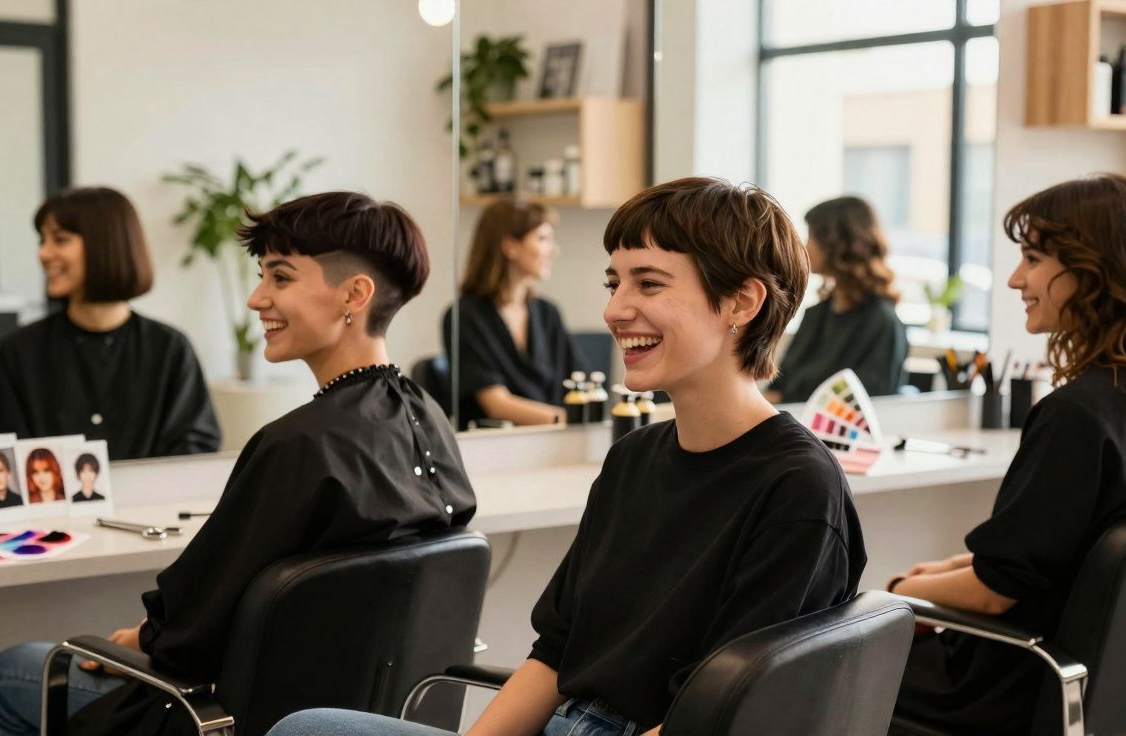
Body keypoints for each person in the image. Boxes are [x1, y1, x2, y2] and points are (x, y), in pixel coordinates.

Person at [266, 177, 866, 736]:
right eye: (615, 283)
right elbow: (557, 652)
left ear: (742, 302)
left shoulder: (797, 489)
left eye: (649, 283)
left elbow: (725, 715)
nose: (613, 310)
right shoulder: (633, 459)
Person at [0, 191, 477, 736]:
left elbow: (189, 629)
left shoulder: (299, 445)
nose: (257, 298)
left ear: (354, 294)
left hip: (221, 715)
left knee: (11, 672)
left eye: (280, 278)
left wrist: (139, 639)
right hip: (353, 715)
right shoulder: (429, 421)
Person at [887, 173, 1126, 735]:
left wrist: (896, 594)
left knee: (835, 677)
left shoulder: (1077, 415)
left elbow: (994, 593)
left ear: (1093, 269)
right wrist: (953, 567)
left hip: (1023, 686)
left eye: (1032, 259)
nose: (1014, 279)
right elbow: (1076, 552)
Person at [0, 186, 221, 460]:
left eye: (60, 240)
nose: (44, 253)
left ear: (105, 245)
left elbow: (194, 451)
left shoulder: (169, 348)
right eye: (42, 240)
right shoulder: (19, 351)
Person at [444, 199, 584, 426]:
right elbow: (496, 404)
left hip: (555, 441)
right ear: (510, 246)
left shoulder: (548, 313)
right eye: (543, 239)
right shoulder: (464, 316)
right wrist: (570, 421)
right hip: (498, 448)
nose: (554, 250)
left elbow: (579, 383)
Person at [765, 196, 907, 403]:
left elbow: (869, 405)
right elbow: (780, 387)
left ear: (837, 245)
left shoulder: (882, 323)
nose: (806, 247)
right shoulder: (816, 315)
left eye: (812, 236)